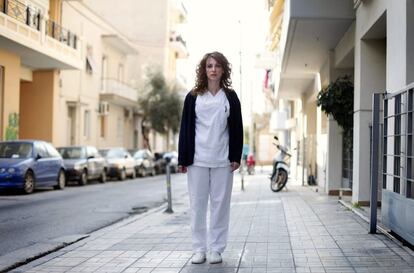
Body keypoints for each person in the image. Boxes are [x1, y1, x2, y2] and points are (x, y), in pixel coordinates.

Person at [178, 51, 243, 264]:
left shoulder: (230, 96)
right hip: (197, 159)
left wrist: (235, 156)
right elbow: (185, 128)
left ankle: (216, 248)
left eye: (216, 65)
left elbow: (236, 129)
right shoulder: (193, 96)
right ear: (204, 70)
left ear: (223, 69)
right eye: (209, 66)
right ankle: (199, 249)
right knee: (197, 205)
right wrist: (182, 158)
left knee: (220, 205)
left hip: (223, 160)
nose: (213, 69)